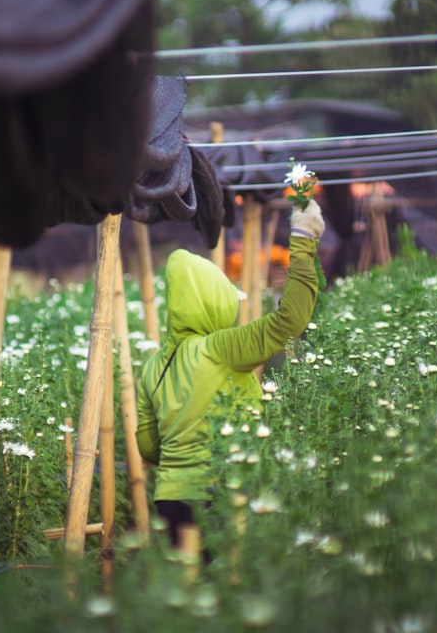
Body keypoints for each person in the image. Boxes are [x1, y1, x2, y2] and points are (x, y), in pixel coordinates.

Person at [135, 198, 325, 553]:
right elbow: (291, 320)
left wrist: (184, 453)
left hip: (171, 500)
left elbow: (147, 446)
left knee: (188, 591)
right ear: (214, 302)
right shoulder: (222, 348)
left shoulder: (153, 366)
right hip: (224, 491)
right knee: (230, 587)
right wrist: (303, 241)